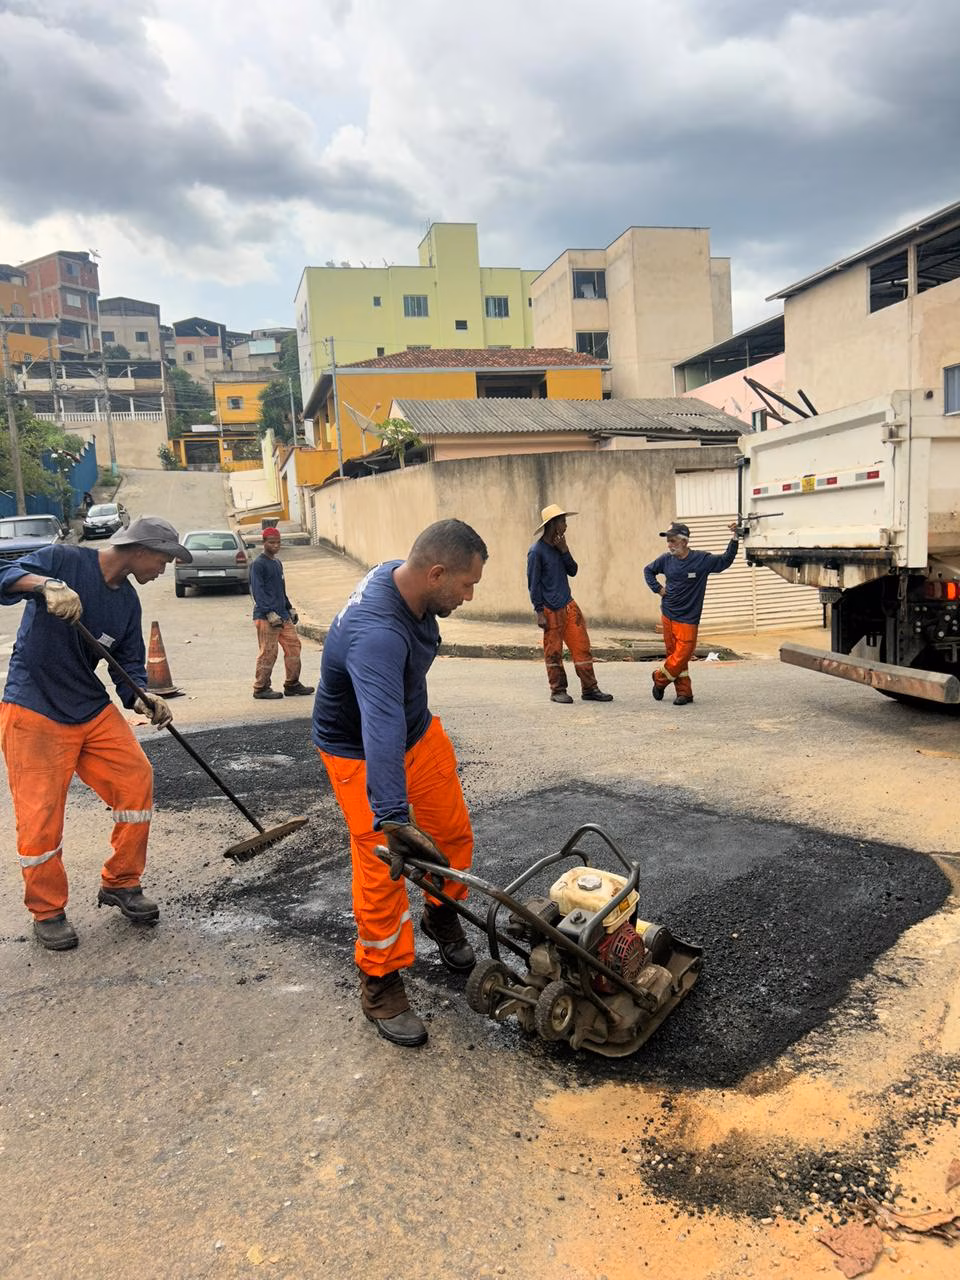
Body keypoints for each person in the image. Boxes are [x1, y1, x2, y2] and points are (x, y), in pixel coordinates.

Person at [313, 519, 488, 1048]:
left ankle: (442, 915)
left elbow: (394, 716)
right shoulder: (379, 636)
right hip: (359, 751)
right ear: (436, 573)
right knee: (382, 865)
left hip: (415, 732)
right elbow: (377, 724)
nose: (469, 596)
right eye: (465, 585)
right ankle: (381, 980)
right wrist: (390, 815)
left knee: (452, 836)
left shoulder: (400, 577)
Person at [0, 515, 191, 951]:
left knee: (135, 780)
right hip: (34, 707)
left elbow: (128, 666)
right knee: (41, 817)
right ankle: (47, 910)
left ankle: (122, 881)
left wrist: (143, 697)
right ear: (141, 550)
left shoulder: (127, 603)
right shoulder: (63, 560)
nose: (162, 570)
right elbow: (3, 574)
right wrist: (42, 585)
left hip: (89, 706)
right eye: (162, 560)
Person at [643, 520, 741, 706]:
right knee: (674, 656)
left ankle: (659, 678)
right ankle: (684, 693)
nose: (669, 545)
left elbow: (725, 560)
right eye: (668, 541)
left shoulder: (702, 560)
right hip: (668, 614)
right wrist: (658, 589)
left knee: (682, 655)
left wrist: (735, 538)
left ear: (684, 542)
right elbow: (648, 570)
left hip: (688, 619)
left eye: (673, 541)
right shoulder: (665, 559)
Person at [526, 503, 613, 705]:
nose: (566, 525)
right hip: (550, 609)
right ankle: (558, 690)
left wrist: (564, 550)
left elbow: (573, 570)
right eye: (563, 521)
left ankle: (590, 688)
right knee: (553, 652)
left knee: (582, 648)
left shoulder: (559, 547)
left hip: (569, 605)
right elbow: (533, 584)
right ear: (553, 524)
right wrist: (539, 611)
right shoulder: (536, 552)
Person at [250, 527, 313, 700]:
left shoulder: (277, 563)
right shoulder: (258, 564)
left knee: (294, 647)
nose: (275, 545)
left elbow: (281, 589)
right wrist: (269, 612)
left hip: (283, 615)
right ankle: (261, 688)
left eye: (278, 542)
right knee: (268, 652)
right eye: (271, 542)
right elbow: (257, 591)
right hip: (266, 617)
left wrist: (289, 607)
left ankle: (292, 684)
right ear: (264, 543)